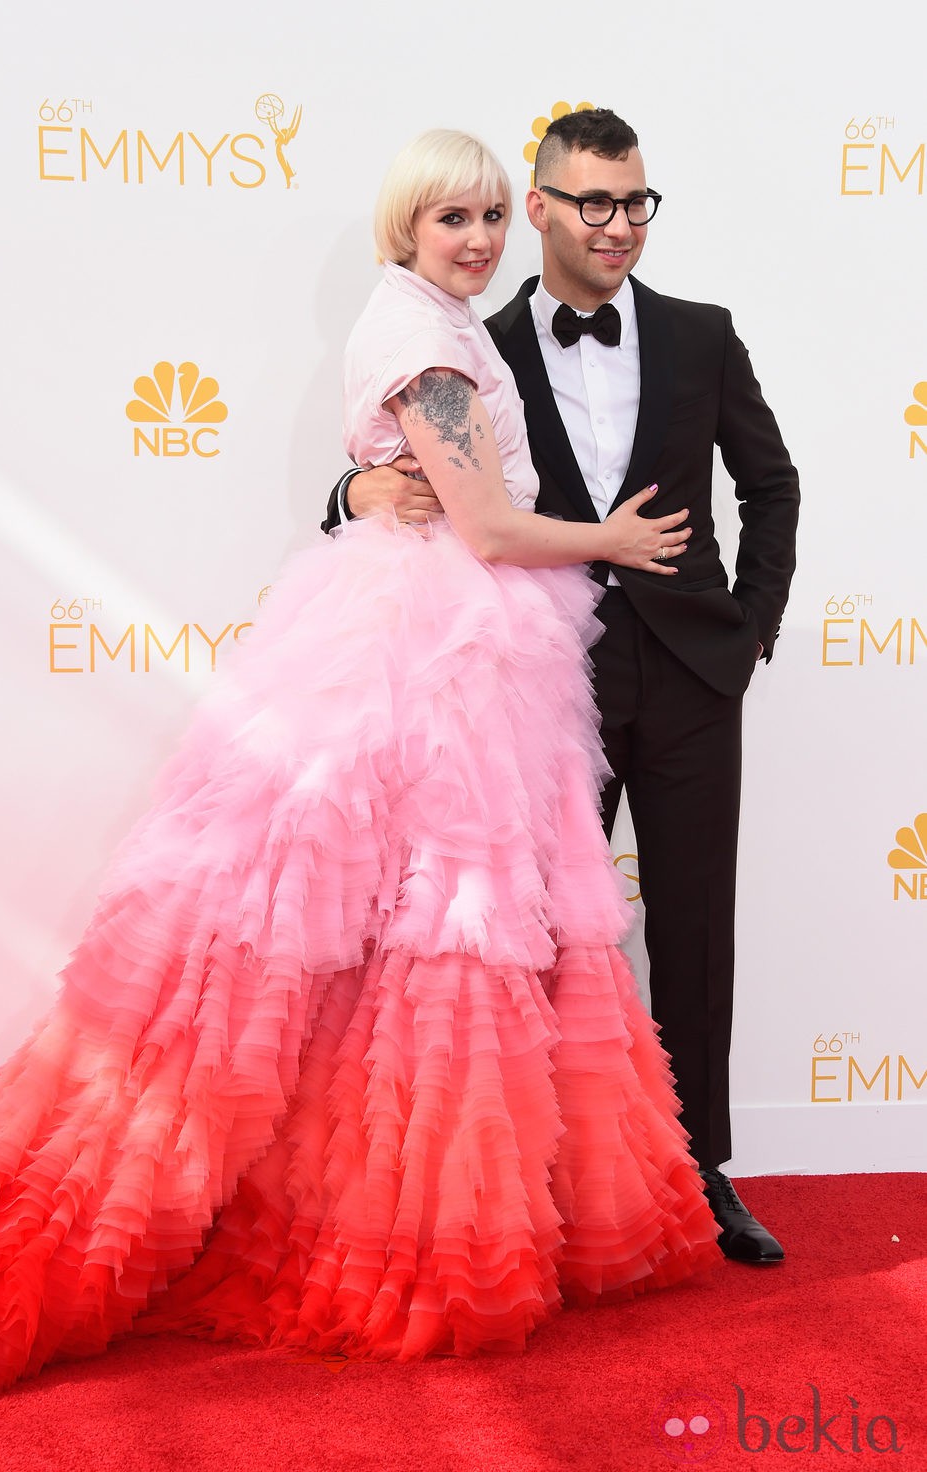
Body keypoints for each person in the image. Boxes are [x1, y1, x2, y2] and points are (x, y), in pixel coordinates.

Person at [0, 129, 720, 1404]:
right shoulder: (422, 334)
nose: (473, 239)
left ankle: (376, 1211)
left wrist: (371, 486)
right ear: (404, 226)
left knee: (405, 940)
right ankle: (403, 1234)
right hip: (435, 638)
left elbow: (435, 484)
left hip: (445, 624)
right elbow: (482, 521)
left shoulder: (432, 321)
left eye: (484, 216)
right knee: (428, 931)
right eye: (448, 220)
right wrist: (613, 539)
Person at [324, 110, 800, 1265]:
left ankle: (701, 1170)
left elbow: (769, 480)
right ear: (537, 209)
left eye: (634, 201)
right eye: (591, 202)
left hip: (690, 674)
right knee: (531, 939)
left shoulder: (700, 334)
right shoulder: (469, 340)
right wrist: (351, 493)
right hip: (543, 683)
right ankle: (541, 1179)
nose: (617, 224)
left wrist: (749, 630)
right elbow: (406, 467)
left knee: (691, 931)